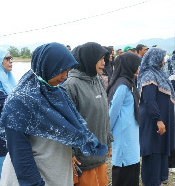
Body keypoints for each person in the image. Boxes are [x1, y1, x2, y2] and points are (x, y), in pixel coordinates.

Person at [0, 43, 108, 186]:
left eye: (67, 70)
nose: (64, 76)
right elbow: (20, 155)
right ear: (47, 66)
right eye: (61, 70)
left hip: (57, 174)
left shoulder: (58, 93)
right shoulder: (20, 102)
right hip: (32, 178)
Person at [63, 42, 113, 186]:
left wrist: (108, 140)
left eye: (105, 58)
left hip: (99, 154)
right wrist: (70, 154)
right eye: (100, 59)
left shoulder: (97, 80)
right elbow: (67, 124)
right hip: (82, 159)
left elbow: (104, 113)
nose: (104, 63)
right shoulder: (71, 85)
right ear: (88, 59)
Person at [137, 48, 175, 186]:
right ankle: (151, 180)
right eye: (162, 57)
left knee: (161, 147)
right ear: (155, 58)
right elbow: (149, 100)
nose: (164, 60)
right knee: (153, 149)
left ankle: (160, 176)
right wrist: (158, 119)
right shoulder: (149, 75)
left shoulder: (159, 73)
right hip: (153, 120)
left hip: (161, 118)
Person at [107, 53, 141, 186]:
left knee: (132, 166)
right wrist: (107, 134)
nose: (138, 67)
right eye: (136, 64)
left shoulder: (129, 82)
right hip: (123, 134)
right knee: (123, 169)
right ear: (128, 65)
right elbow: (113, 112)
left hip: (130, 132)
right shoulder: (122, 85)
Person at [0, 50, 17, 179]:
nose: (11, 61)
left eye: (11, 58)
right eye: (7, 58)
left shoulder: (10, 81)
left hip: (10, 139)